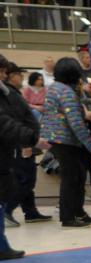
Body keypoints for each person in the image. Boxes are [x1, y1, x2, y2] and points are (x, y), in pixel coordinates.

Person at [41, 57, 91, 228]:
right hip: (65, 140)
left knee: (78, 175)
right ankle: (68, 217)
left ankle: (78, 212)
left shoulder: (54, 88)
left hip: (58, 139)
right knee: (71, 178)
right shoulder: (66, 92)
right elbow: (76, 123)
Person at [3, 63, 51, 226]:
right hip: (22, 145)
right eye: (19, 74)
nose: (22, 77)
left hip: (26, 142)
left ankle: (30, 212)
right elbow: (16, 122)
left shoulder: (13, 93)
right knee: (26, 179)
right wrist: (25, 144)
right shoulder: (10, 95)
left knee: (25, 179)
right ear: (11, 75)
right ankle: (7, 210)